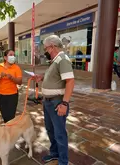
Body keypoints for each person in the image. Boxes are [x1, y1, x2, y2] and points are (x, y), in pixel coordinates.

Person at [34, 35, 74, 165]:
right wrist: (42, 77)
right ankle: (55, 154)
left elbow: (70, 81)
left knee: (59, 133)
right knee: (51, 130)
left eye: (46, 48)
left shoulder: (62, 59)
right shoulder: (55, 60)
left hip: (57, 102)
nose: (45, 51)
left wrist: (65, 103)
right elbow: (55, 76)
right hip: (48, 102)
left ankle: (63, 161)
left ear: (53, 47)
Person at [0, 49, 22, 123]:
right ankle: (7, 130)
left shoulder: (16, 68)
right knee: (4, 115)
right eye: (10, 55)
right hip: (1, 95)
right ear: (5, 57)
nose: (13, 57)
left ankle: (11, 131)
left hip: (12, 95)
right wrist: (0, 76)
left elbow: (20, 82)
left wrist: (12, 78)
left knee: (11, 117)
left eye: (14, 55)